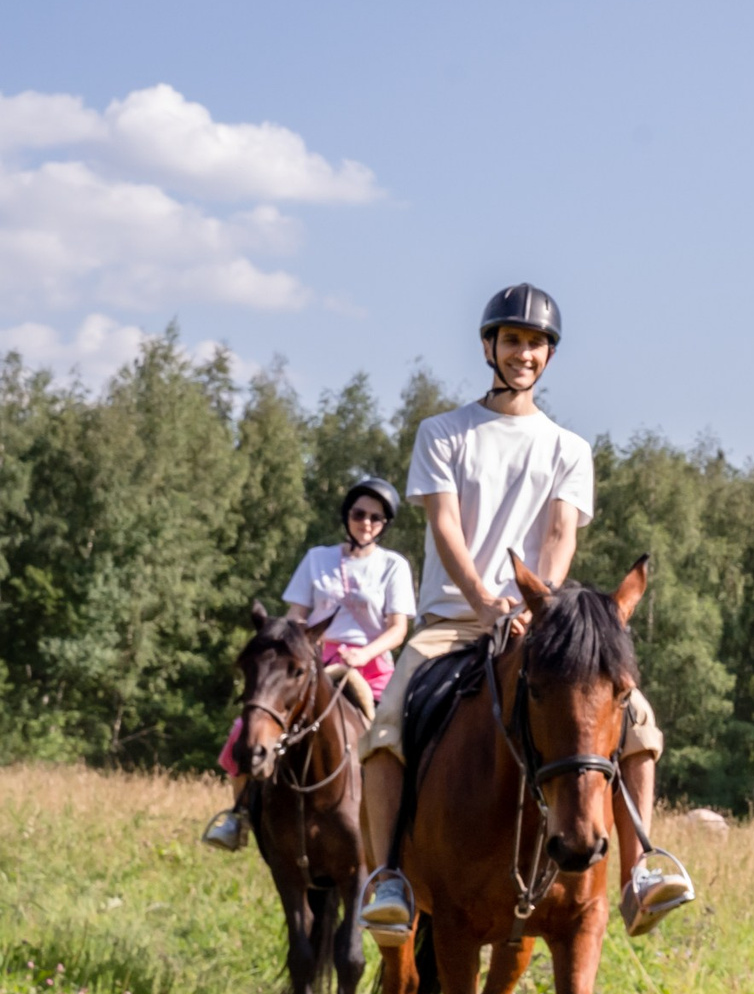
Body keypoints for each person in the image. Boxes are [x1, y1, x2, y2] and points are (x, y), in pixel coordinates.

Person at [352, 283, 693, 944]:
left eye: (536, 343)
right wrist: (485, 601)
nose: (524, 353)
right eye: (513, 340)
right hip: (453, 621)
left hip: (537, 618)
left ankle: (640, 870)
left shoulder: (568, 447)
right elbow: (446, 528)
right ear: (489, 346)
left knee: (639, 717)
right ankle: (389, 876)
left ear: (549, 355)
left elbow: (561, 534)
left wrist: (537, 604)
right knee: (387, 722)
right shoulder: (442, 432)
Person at [202, 476, 415, 851]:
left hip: (370, 667)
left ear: (385, 525)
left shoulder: (392, 566)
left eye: (376, 518)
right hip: (312, 661)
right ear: (346, 516)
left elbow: (398, 629)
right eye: (359, 514)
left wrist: (362, 654)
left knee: (399, 737)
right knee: (245, 728)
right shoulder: (318, 559)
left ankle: (407, 824)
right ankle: (240, 815)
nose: (366, 523)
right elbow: (296, 617)